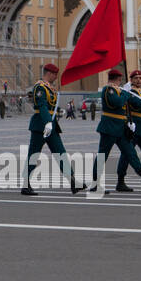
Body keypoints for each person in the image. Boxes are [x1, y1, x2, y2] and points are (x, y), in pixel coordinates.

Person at [22, 63, 83, 196]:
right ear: (49, 73)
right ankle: (25, 184)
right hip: (40, 126)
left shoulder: (50, 88)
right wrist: (48, 122)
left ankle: (73, 181)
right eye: (55, 75)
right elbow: (42, 106)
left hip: (51, 126)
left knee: (61, 153)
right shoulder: (40, 87)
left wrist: (54, 118)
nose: (56, 77)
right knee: (33, 154)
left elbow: (50, 107)